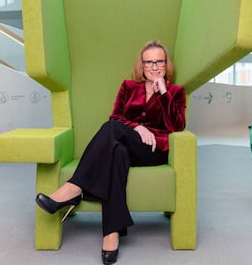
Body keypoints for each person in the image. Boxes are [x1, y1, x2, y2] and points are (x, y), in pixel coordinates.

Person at [35, 40, 186, 264]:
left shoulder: (176, 92)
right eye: (149, 62)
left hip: (154, 150)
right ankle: (111, 232)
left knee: (112, 129)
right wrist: (137, 127)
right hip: (127, 145)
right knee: (116, 152)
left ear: (166, 64)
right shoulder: (128, 87)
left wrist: (163, 93)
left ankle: (74, 187)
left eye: (159, 61)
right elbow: (115, 116)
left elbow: (177, 126)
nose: (154, 67)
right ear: (142, 65)